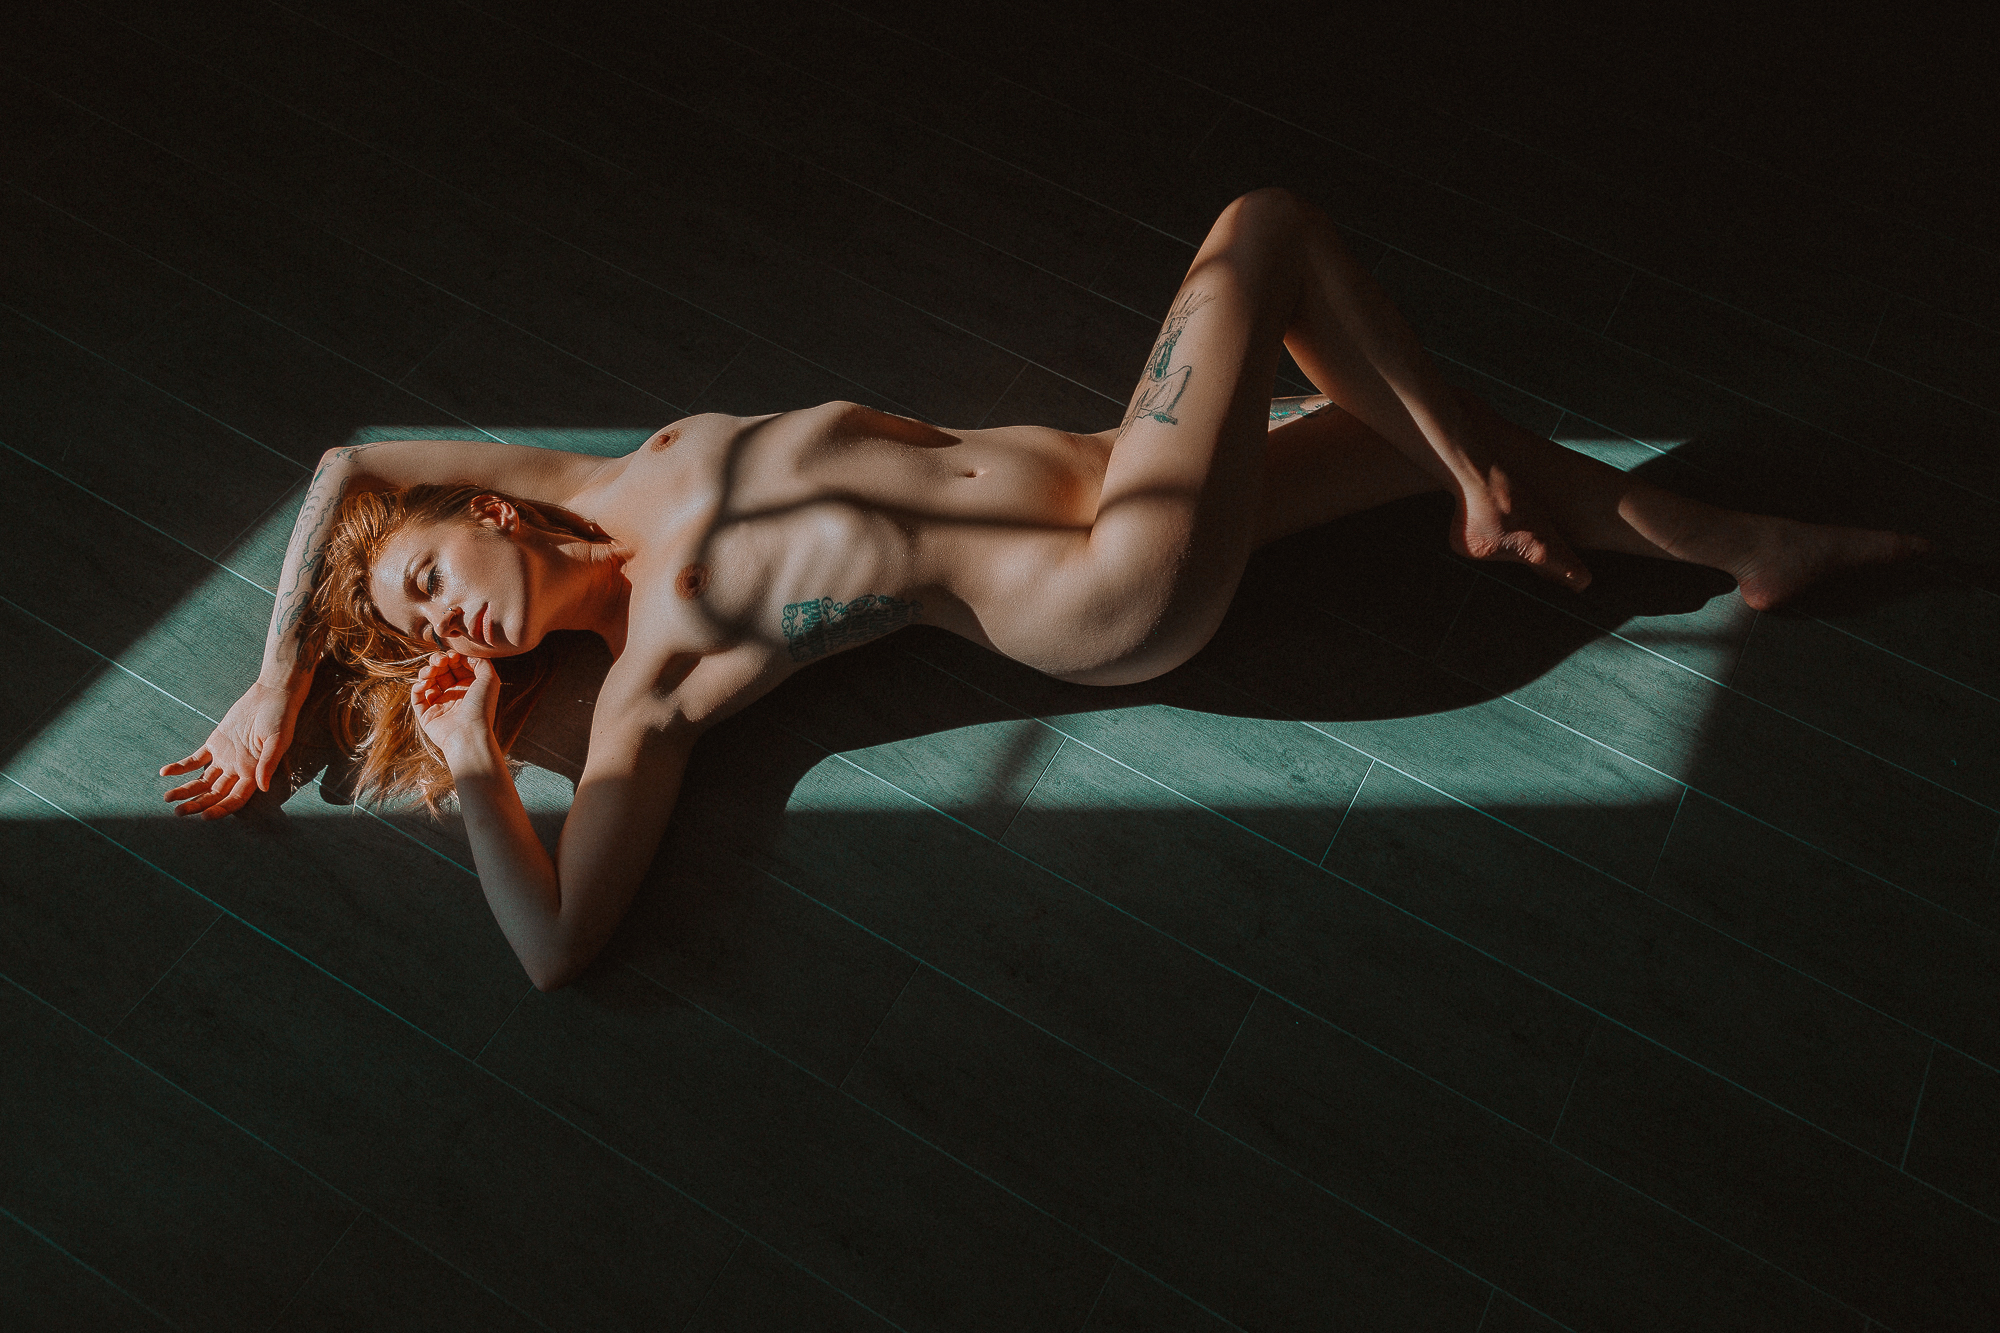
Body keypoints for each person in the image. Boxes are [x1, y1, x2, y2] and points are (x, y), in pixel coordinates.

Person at [157, 189, 1927, 990]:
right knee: (1267, 234)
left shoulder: (634, 463)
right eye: (420, 634)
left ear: (480, 505)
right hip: (1107, 584)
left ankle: (1734, 544)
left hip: (1114, 466)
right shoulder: (656, 679)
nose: (442, 624)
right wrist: (476, 763)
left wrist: (272, 675)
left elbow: (344, 462)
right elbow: (556, 954)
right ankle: (1486, 494)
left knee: (1376, 423)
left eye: (423, 580)